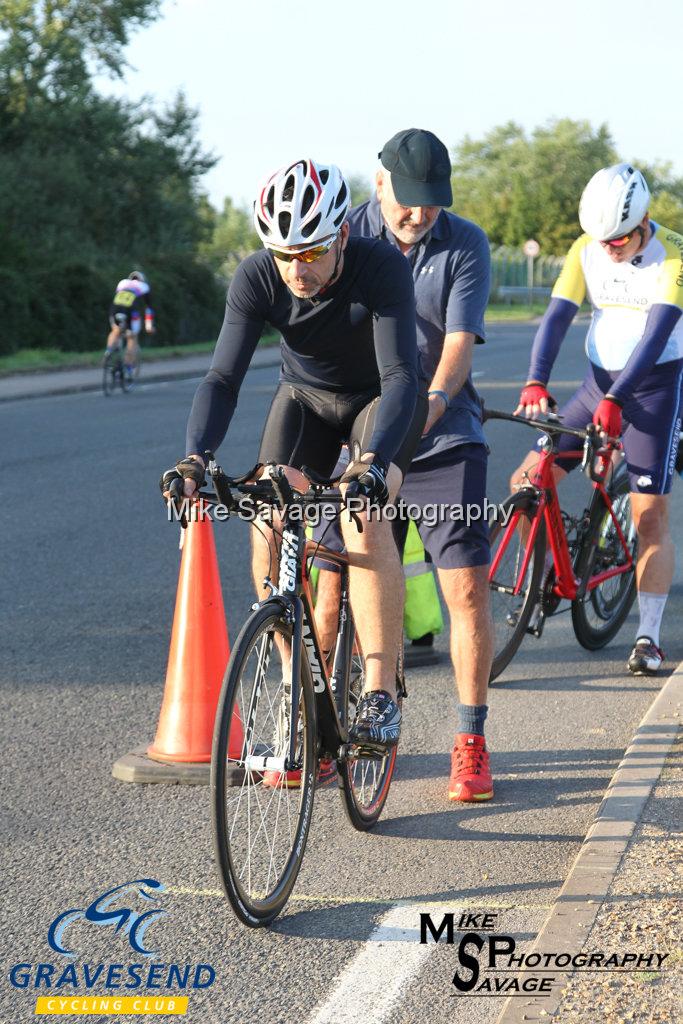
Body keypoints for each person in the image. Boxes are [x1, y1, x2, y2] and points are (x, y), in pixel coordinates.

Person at [163, 158, 427, 762]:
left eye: (310, 252)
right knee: (266, 508)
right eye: (284, 254)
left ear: (339, 237)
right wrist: (196, 459)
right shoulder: (257, 277)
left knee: (366, 517)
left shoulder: (380, 267)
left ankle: (381, 692)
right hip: (305, 398)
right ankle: (294, 679)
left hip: (379, 401)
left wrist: (373, 465)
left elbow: (400, 375)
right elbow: (222, 378)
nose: (296, 269)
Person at [313, 129, 495, 803]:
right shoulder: (345, 232)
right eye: (407, 200)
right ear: (379, 182)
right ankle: (321, 728)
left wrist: (426, 411)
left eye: (431, 204)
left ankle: (470, 740)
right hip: (355, 435)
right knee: (326, 583)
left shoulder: (464, 242)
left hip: (440, 434)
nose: (417, 215)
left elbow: (454, 350)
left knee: (465, 591)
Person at [512, 163, 683, 675]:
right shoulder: (587, 247)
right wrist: (535, 379)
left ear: (646, 219)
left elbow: (655, 338)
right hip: (596, 385)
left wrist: (618, 399)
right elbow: (559, 315)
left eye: (622, 238)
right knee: (525, 481)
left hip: (654, 391)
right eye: (602, 239)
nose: (611, 248)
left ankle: (649, 637)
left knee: (650, 517)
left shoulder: (673, 255)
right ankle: (542, 580)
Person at [107, 270, 155, 381]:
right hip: (131, 310)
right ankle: (128, 366)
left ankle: (108, 352)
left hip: (115, 308)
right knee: (132, 336)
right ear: (142, 280)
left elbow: (118, 297)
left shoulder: (122, 282)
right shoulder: (144, 286)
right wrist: (149, 326)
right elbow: (149, 309)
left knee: (115, 330)